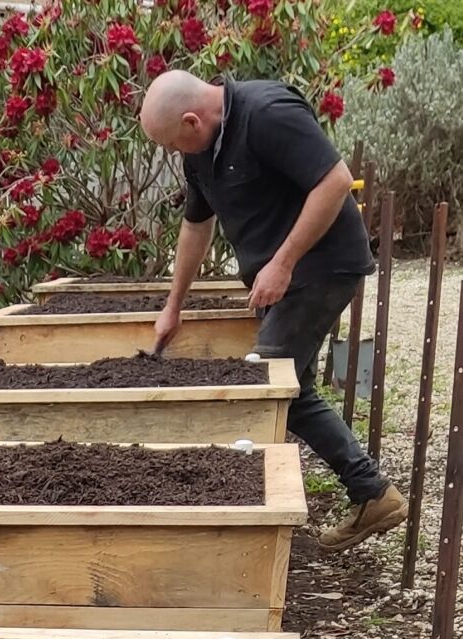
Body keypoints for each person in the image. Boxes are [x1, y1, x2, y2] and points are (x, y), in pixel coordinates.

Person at [139, 69, 407, 553]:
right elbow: (196, 226)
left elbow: (335, 182)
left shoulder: (266, 114)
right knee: (290, 386)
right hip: (280, 278)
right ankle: (370, 492)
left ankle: (246, 531)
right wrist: (172, 307)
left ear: (193, 121)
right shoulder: (203, 152)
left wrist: (283, 263)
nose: (177, 154)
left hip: (322, 266)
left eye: (175, 143)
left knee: (266, 384)